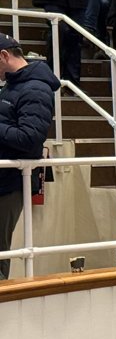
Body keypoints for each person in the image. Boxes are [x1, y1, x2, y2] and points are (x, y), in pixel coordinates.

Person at [0, 34, 57, 279]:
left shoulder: (35, 89)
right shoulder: (13, 86)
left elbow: (29, 138)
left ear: (4, 56)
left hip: (9, 182)